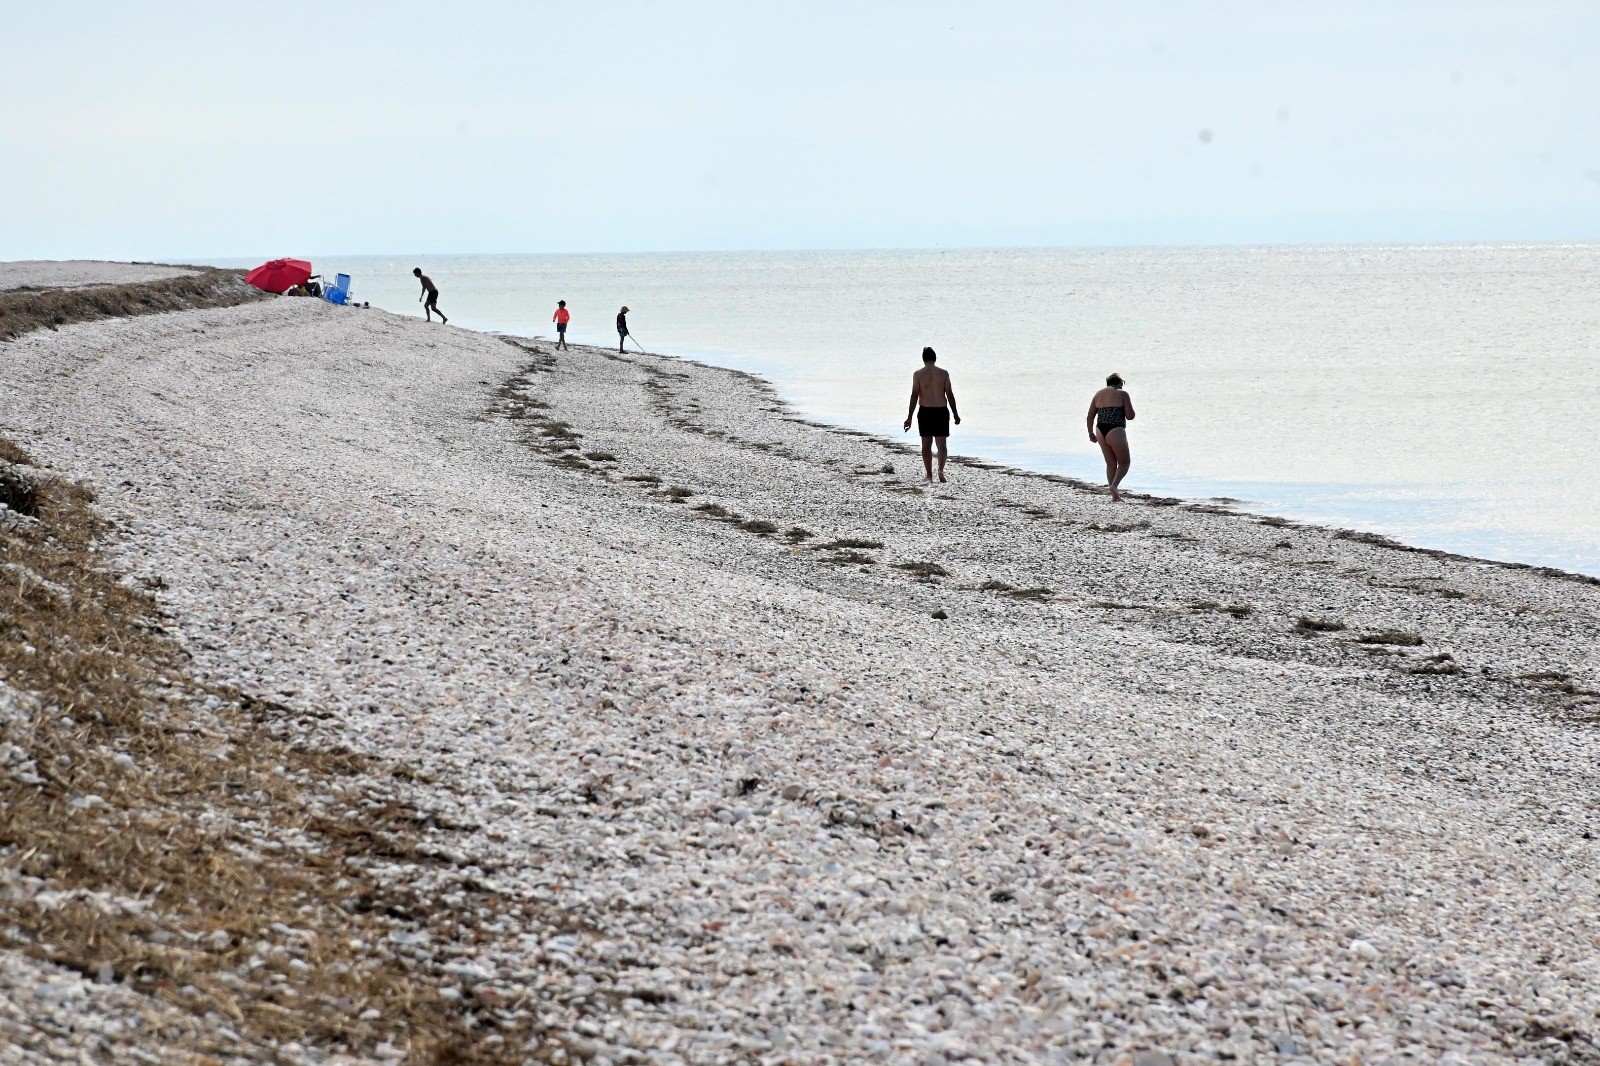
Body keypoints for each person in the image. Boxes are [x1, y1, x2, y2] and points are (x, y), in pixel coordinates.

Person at [902, 346, 961, 483]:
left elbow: (914, 396)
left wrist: (909, 417)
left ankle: (929, 475)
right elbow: (950, 395)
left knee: (926, 445)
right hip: (941, 411)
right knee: (942, 445)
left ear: (923, 359)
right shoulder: (944, 374)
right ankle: (940, 470)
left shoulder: (918, 374)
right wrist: (955, 414)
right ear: (935, 358)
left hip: (925, 411)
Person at [1087, 372, 1135, 501]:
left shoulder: (1098, 394)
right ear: (1119, 383)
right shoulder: (1122, 394)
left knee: (1110, 463)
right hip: (1115, 429)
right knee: (1125, 463)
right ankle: (1114, 486)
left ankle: (1114, 495)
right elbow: (1130, 416)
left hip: (1100, 429)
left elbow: (1090, 415)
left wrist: (1090, 433)